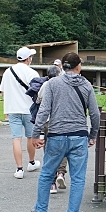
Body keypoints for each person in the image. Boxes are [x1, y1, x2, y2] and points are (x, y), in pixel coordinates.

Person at [30, 52, 100, 212]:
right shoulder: (86, 85)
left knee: (46, 174)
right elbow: (95, 113)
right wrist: (93, 135)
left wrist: (35, 134)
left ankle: (40, 210)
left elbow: (44, 111)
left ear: (62, 66)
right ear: (78, 66)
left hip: (56, 136)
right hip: (79, 137)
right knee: (78, 178)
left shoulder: (53, 83)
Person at [0, 46, 42, 179]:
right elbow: (39, 93)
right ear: (28, 58)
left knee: (16, 138)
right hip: (29, 109)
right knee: (30, 136)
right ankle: (31, 162)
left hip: (12, 109)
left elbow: (3, 91)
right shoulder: (32, 73)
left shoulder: (8, 72)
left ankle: (19, 169)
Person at [42, 62, 68, 194]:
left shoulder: (46, 85)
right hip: (62, 122)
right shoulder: (64, 85)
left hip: (48, 123)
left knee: (49, 151)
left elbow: (39, 101)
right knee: (63, 149)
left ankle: (52, 184)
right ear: (59, 74)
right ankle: (61, 173)